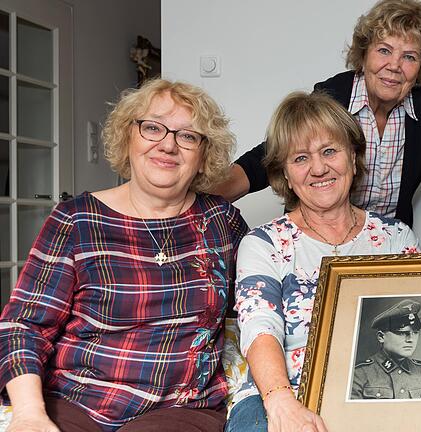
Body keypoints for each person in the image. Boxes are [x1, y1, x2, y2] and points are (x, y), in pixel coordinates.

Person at [0, 79, 248, 431]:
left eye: (188, 136)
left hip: (180, 408)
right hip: (77, 400)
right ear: (127, 136)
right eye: (152, 128)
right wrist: (29, 414)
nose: (168, 145)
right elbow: (24, 324)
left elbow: (262, 298)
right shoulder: (77, 219)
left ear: (204, 155)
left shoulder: (220, 220)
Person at [227, 92, 419, 432]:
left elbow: (418, 324)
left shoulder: (395, 237)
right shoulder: (262, 244)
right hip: (280, 391)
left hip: (377, 391)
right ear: (284, 174)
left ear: (354, 158)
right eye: (300, 158)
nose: (319, 168)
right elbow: (260, 329)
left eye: (330, 151)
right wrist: (282, 403)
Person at [217, 0, 421, 227]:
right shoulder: (333, 96)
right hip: (319, 238)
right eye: (384, 50)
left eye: (409, 57)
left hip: (389, 247)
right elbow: (269, 157)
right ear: (364, 54)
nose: (394, 66)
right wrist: (200, 200)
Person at [351, 299, 421, 400]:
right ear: (381, 337)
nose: (410, 340)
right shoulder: (359, 373)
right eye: (402, 333)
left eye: (415, 332)